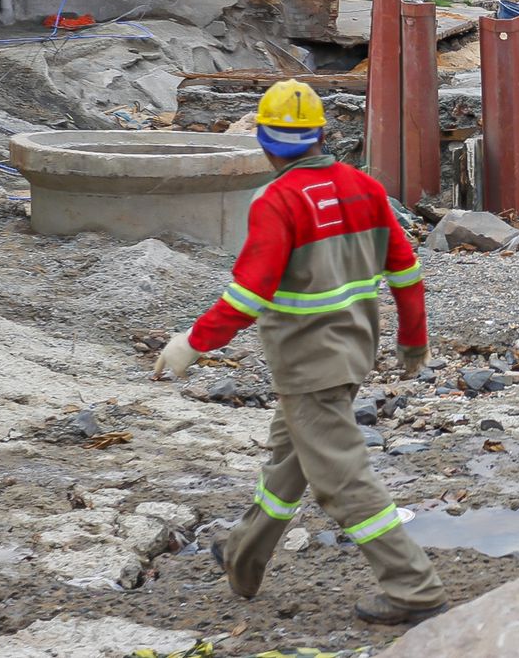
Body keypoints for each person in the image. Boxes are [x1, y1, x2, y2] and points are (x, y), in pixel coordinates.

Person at [153, 79, 446, 626]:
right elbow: (406, 271)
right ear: (321, 136)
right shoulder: (364, 187)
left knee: (341, 479)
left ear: (264, 141)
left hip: (308, 364)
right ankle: (242, 554)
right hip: (353, 351)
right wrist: (413, 339)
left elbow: (248, 293)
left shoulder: (277, 202)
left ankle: (414, 589)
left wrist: (191, 345)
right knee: (290, 462)